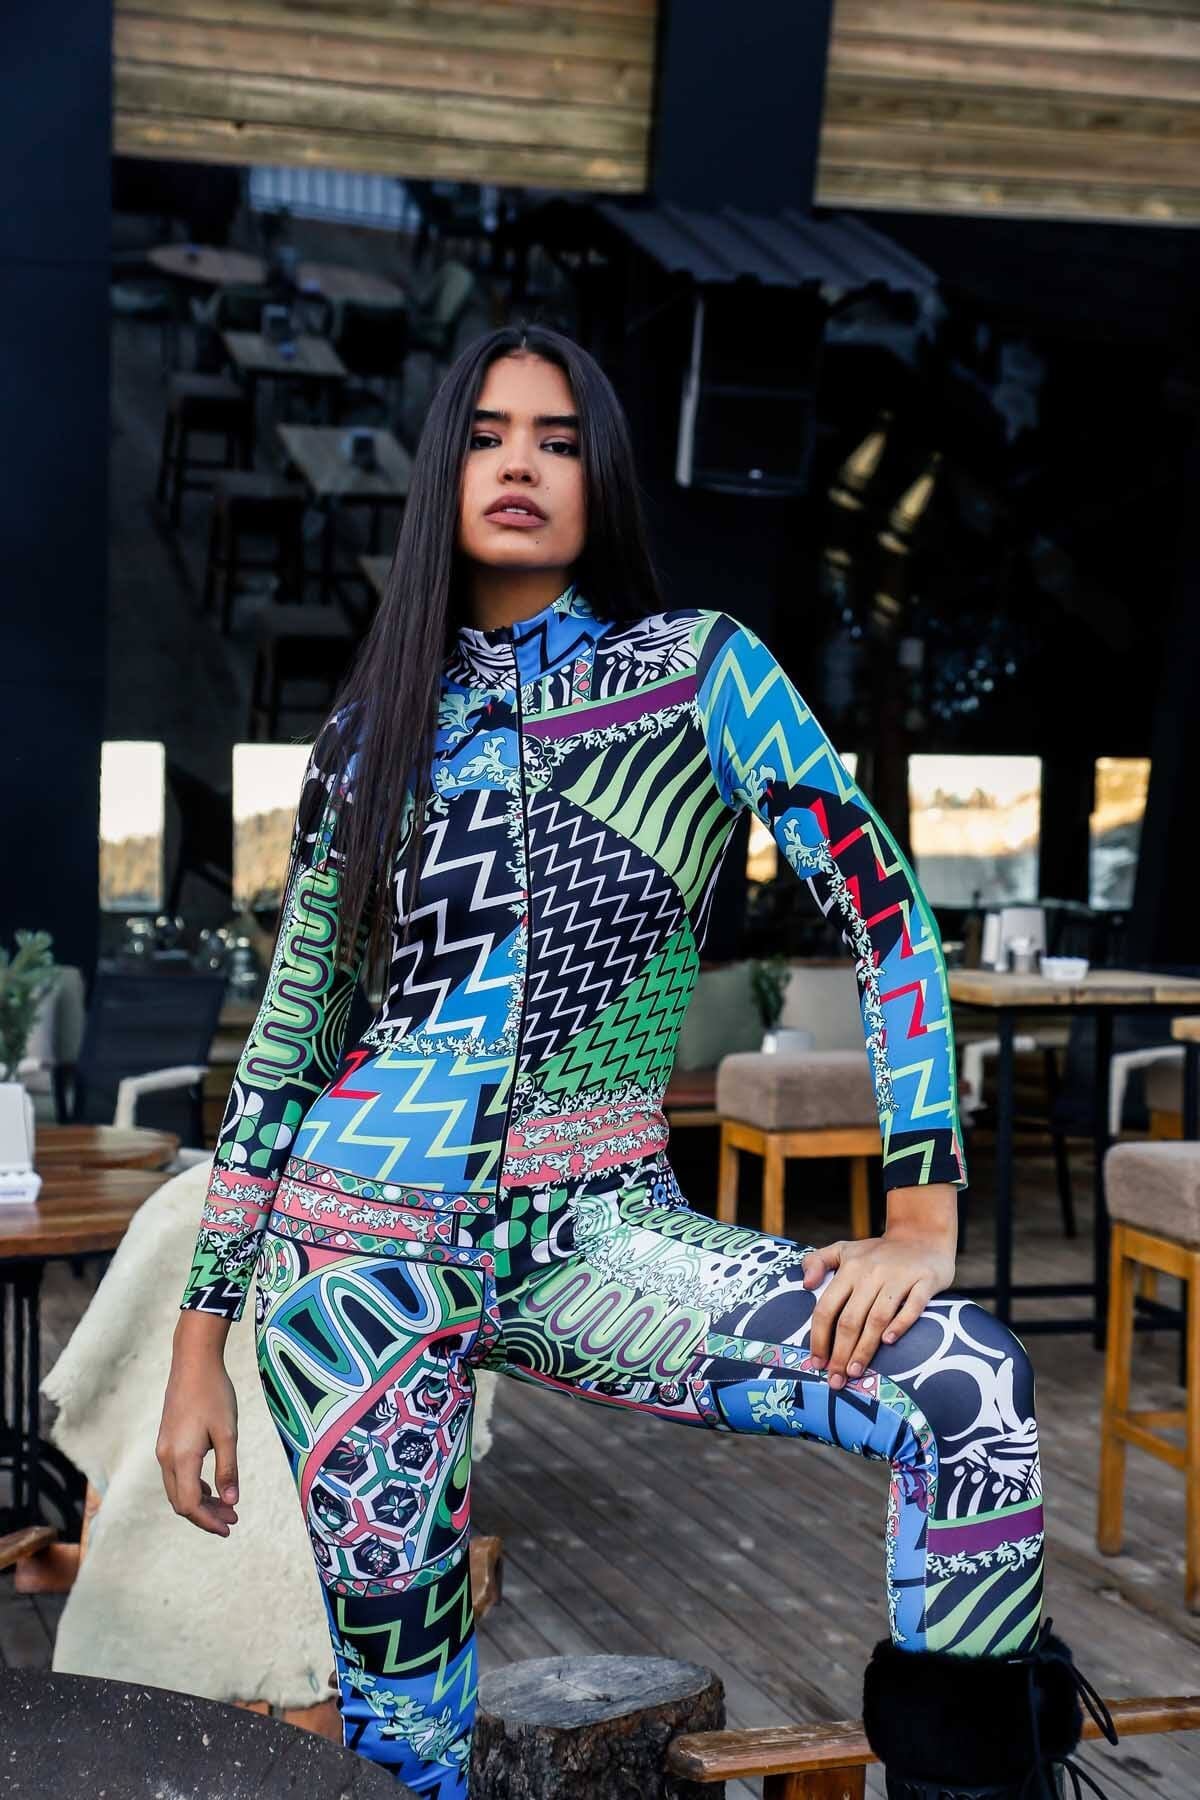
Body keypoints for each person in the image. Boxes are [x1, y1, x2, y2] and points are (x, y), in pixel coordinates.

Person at [157, 325, 1112, 1799]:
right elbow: (288, 1047)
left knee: (965, 1387)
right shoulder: (365, 736)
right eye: (486, 435)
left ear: (600, 477)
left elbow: (883, 907)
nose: (521, 464)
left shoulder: (696, 674)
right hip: (350, 1259)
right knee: (405, 1734)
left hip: (602, 1236)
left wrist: (922, 1217)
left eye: (556, 439)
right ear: (441, 473)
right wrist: (197, 1348)